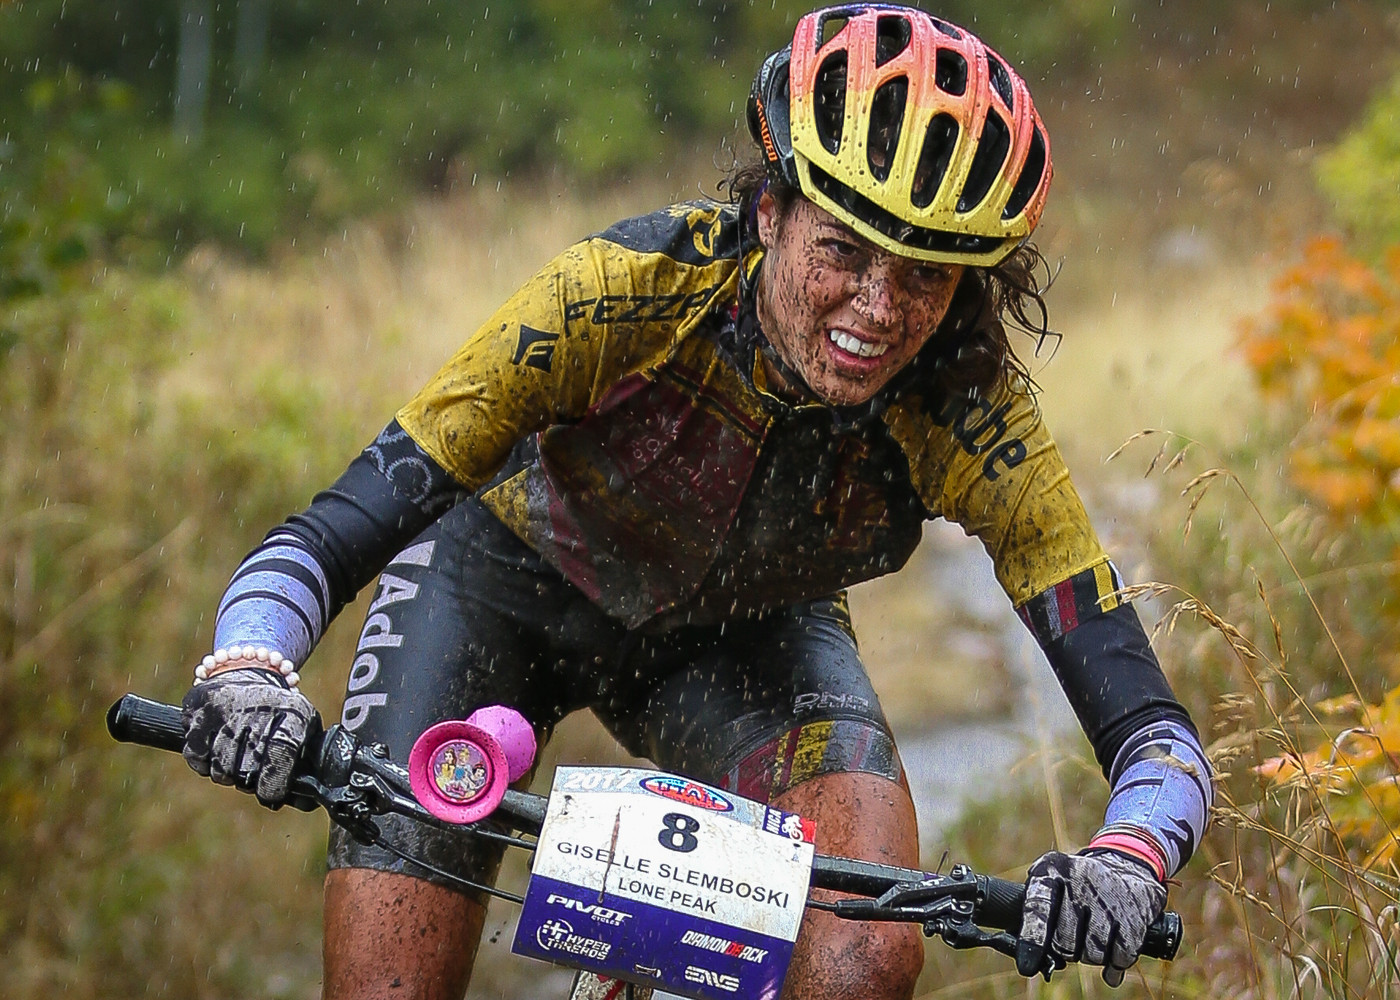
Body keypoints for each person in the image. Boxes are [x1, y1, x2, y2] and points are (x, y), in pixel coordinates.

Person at [180, 5, 1212, 998]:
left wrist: (1127, 858)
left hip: (746, 641)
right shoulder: (616, 293)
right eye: (842, 251)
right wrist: (248, 667)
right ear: (770, 213)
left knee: (863, 956)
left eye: (924, 279)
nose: (876, 309)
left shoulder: (971, 414)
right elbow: (328, 534)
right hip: (492, 590)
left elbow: (1153, 733)